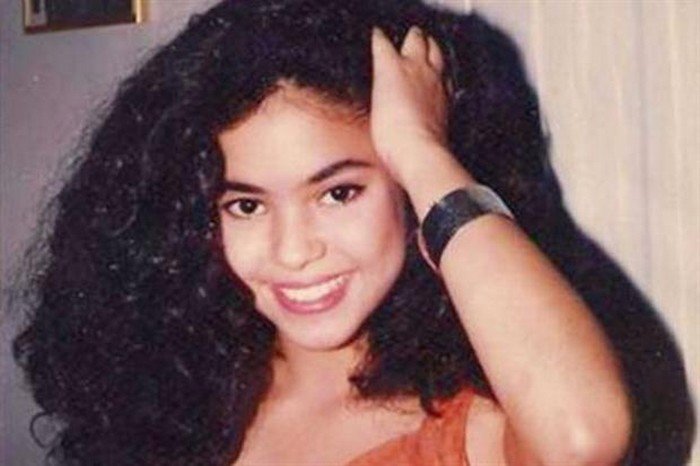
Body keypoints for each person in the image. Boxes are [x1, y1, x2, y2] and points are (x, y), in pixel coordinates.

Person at [11, 1, 635, 465]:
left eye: (338, 193)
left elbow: (581, 437)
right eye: (245, 205)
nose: (293, 251)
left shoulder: (471, 428)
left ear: (409, 194)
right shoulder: (171, 405)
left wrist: (421, 149)